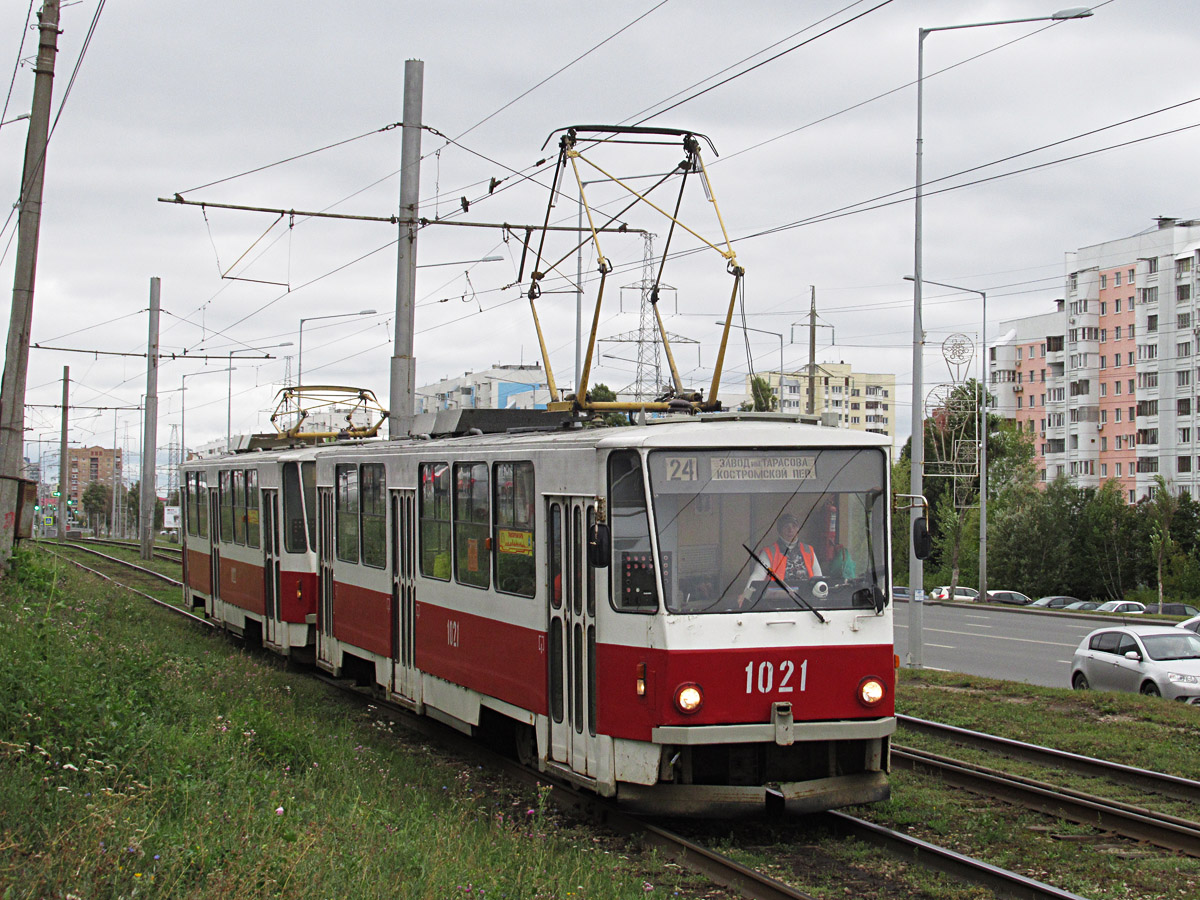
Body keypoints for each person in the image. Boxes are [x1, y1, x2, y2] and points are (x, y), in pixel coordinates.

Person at [737, 513, 822, 608]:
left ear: (798, 529)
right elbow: (757, 576)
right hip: (778, 602)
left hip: (807, 602)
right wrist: (746, 595)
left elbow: (818, 577)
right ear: (779, 530)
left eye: (793, 526)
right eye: (786, 527)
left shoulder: (809, 550)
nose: (790, 530)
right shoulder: (768, 552)